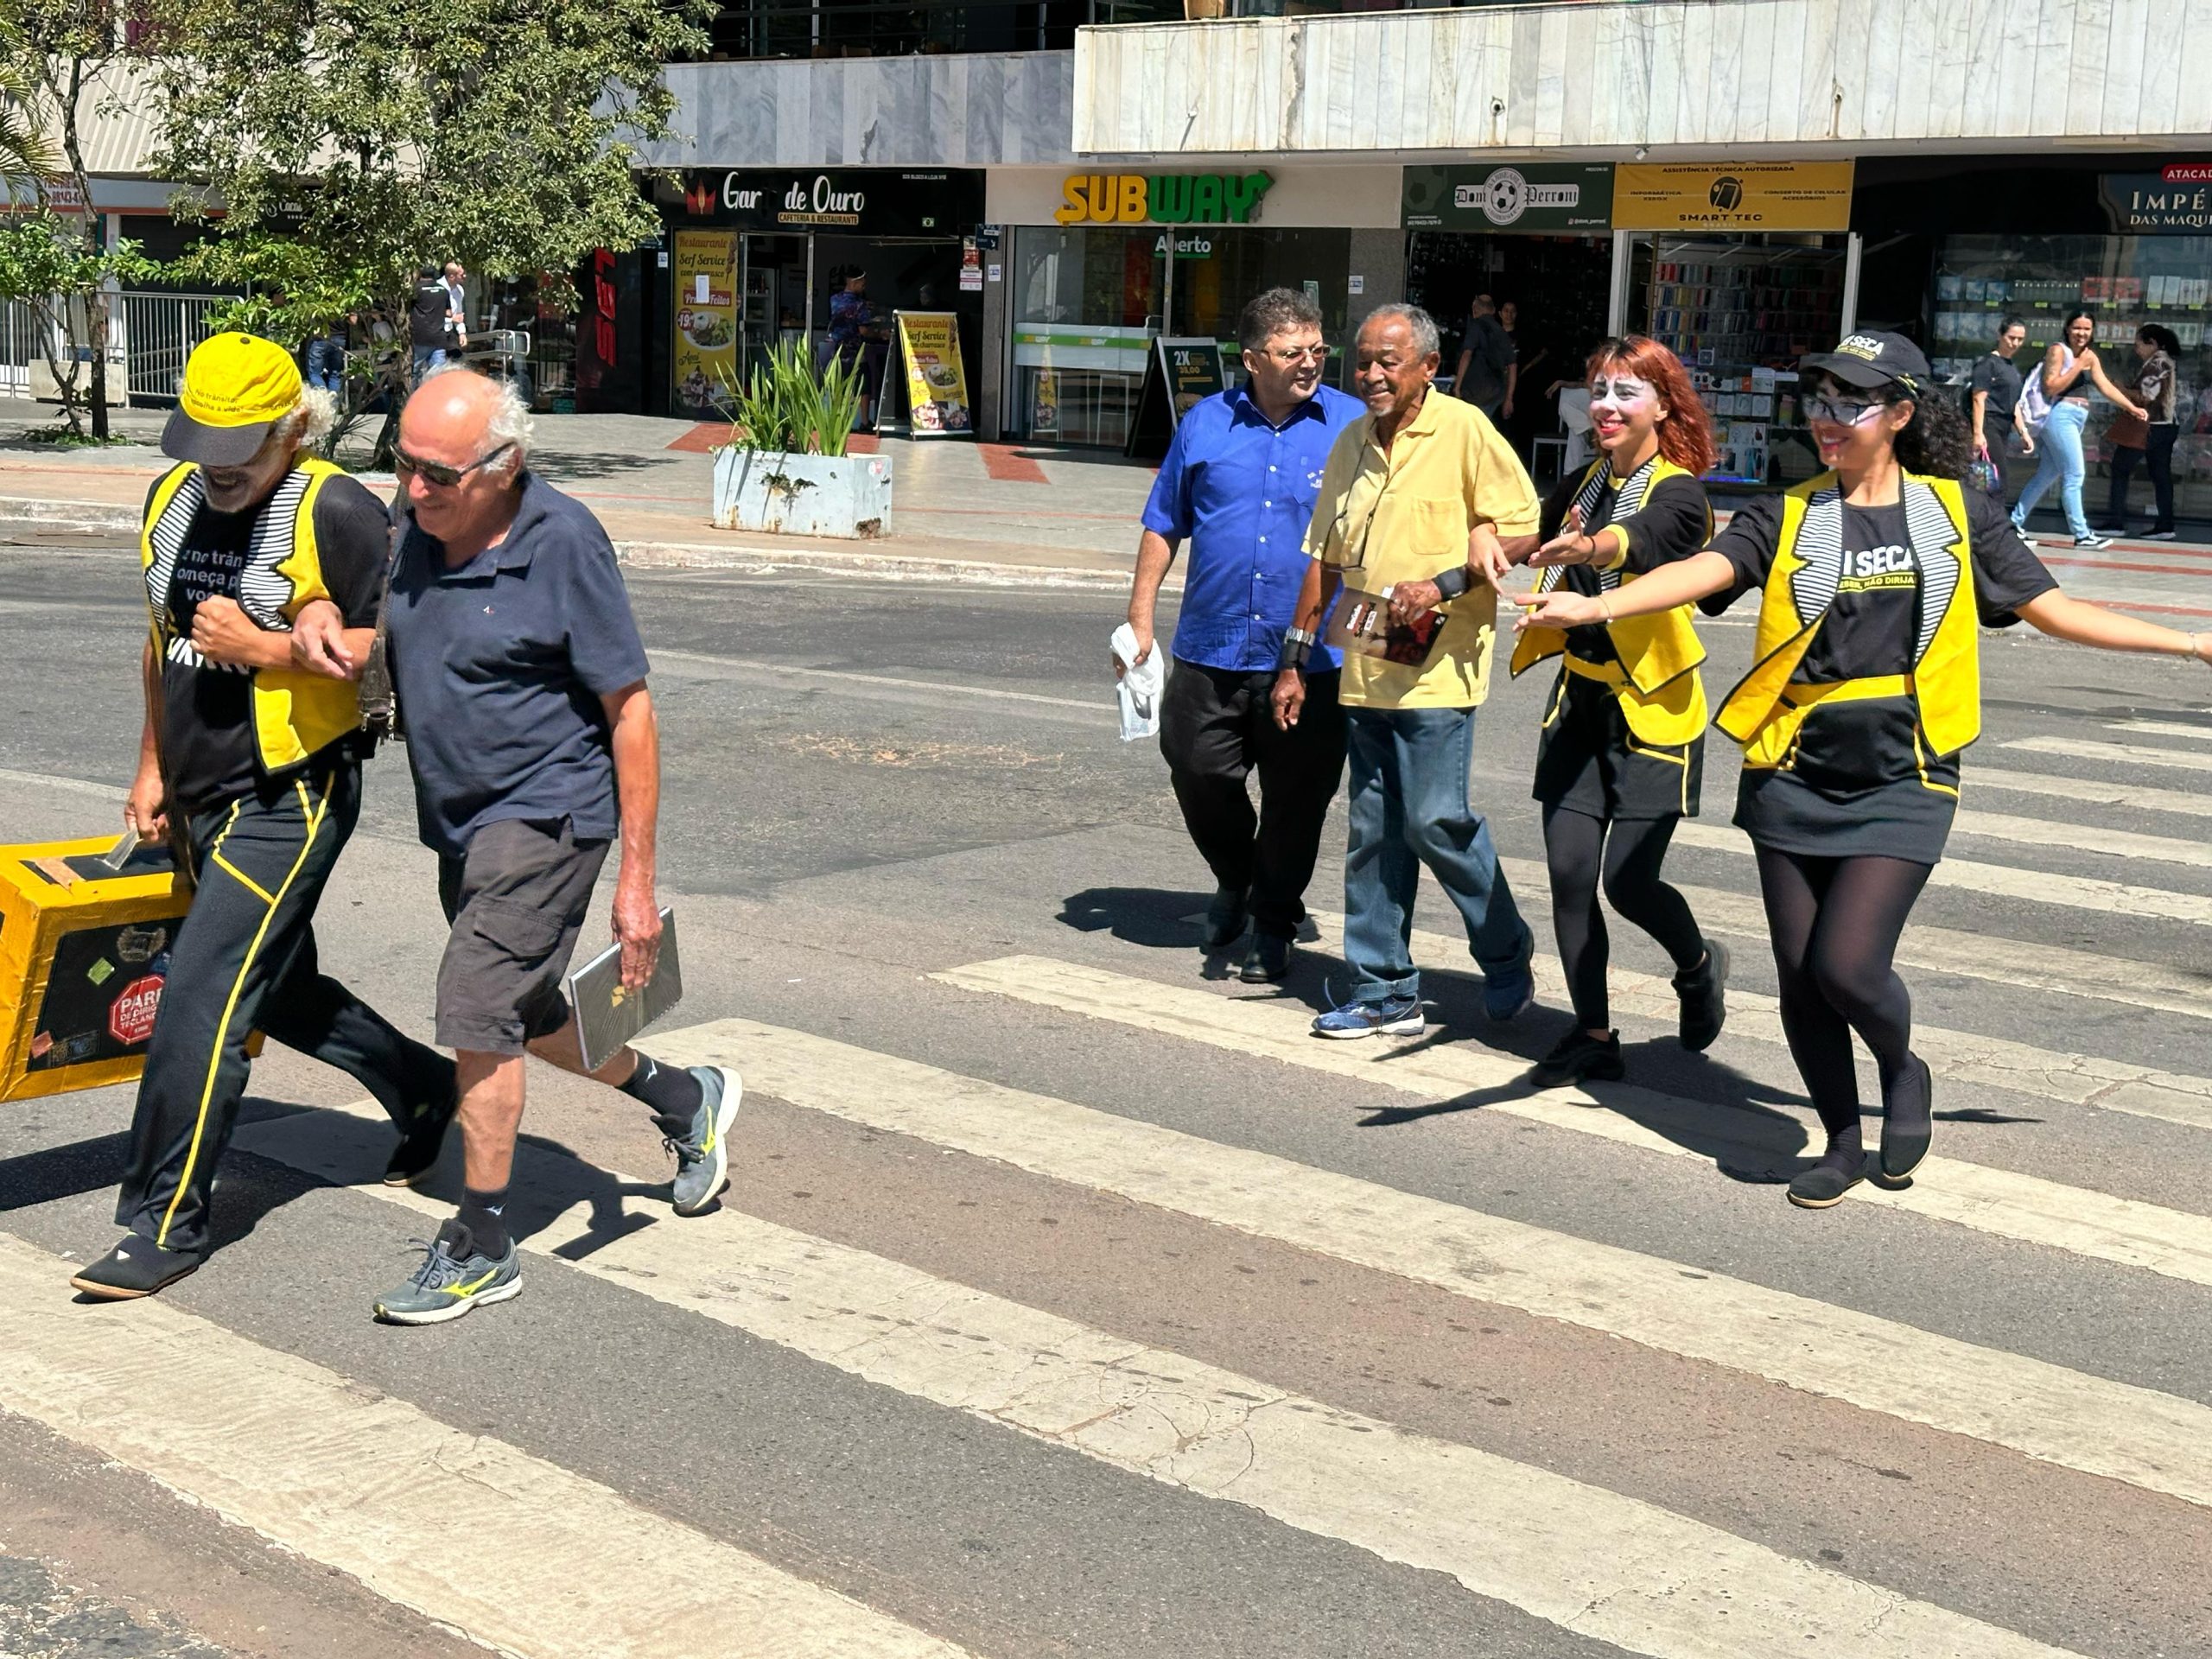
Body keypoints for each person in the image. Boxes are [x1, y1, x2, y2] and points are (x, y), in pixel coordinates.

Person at [1517, 331, 2212, 1209]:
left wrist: (2190, 642)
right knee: (1802, 978)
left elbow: (2052, 608)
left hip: (1907, 771)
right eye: (1819, 402)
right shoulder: (1790, 511)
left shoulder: (1955, 512)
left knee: (1848, 967)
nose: (1827, 419)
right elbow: (1704, 567)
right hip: (1792, 771)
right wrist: (1601, 595)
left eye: (1850, 403)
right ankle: (1842, 1140)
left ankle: (1901, 1064)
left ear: (1899, 414)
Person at [69, 334, 458, 1300]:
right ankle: (421, 1086)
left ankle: (162, 1221)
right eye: (203, 438)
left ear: (295, 425)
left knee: (200, 998)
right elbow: (161, 643)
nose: (220, 460)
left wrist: (267, 649)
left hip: (288, 795)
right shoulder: (173, 500)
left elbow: (413, 656)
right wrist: (151, 765)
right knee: (276, 987)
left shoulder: (336, 509)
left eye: (241, 440)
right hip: (195, 792)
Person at [354, 367, 741, 1324]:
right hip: (461, 821)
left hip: (551, 814)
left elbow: (631, 711)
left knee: (474, 1006)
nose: (413, 489)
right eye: (402, 466)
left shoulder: (564, 542)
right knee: (520, 1015)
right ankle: (685, 1099)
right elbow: (383, 641)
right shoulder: (412, 533)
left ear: (504, 465)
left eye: (438, 475)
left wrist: (636, 884)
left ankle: (482, 1240)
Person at [1273, 303, 1541, 1038]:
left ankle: (1507, 950)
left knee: (1434, 822)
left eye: (1389, 361)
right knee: (1374, 830)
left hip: (1439, 669)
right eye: (1363, 361)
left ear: (1427, 365)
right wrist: (1296, 661)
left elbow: (1523, 530)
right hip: (1367, 662)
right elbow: (1324, 558)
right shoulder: (1351, 441)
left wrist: (1448, 583)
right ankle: (1381, 986)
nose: (1372, 375)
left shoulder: (1465, 431)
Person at [1117, 288, 1363, 982]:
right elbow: (1164, 521)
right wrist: (1140, 617)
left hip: (1312, 656)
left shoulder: (1353, 426)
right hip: (1210, 646)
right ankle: (1237, 877)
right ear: (1251, 358)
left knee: (1297, 797)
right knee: (1196, 768)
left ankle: (1274, 919)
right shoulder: (1205, 423)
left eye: (1318, 350)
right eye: (1292, 353)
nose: (1310, 363)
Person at [1507, 337, 1727, 1085]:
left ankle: (1698, 967)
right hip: (1580, 700)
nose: (1605, 404)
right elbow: (1529, 538)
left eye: (1626, 391)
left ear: (1663, 406)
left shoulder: (1681, 493)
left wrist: (1592, 548)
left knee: (1629, 884)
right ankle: (1594, 1033)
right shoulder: (1583, 481)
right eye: (1598, 389)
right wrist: (1459, 560)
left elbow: (1644, 540)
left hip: (1651, 708)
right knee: (1570, 876)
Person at [2010, 309, 2144, 550]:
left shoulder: (2089, 356)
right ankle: (2081, 534)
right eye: (2077, 328)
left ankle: (2013, 524)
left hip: (2074, 418)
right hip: (2060, 416)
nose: (2081, 333)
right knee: (2075, 474)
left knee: (2048, 474)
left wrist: (2131, 407)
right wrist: (2078, 365)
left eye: (2087, 329)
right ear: (2068, 329)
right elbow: (2050, 387)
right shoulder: (2058, 351)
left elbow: (2104, 386)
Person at [2100, 323, 2181, 540]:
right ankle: (2165, 525)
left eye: (2138, 344)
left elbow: (2145, 396)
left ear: (2152, 343)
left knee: (2120, 467)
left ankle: (2116, 521)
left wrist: (2118, 388)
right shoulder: (2167, 361)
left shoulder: (2157, 363)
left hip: (2149, 425)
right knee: (2161, 474)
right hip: (2166, 425)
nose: (2136, 349)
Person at [1966, 316, 2032, 499]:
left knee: (1987, 479)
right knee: (1996, 478)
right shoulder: (1988, 364)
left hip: (2003, 426)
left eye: (2020, 339)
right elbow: (1979, 399)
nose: (2015, 343)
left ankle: (1983, 519)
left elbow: (2013, 403)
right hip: (1989, 424)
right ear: (2000, 335)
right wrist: (1978, 434)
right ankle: (1993, 521)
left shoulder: (2009, 366)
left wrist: (2023, 432)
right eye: (2011, 338)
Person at [823, 266, 888, 428]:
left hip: (837, 350)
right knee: (864, 386)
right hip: (855, 352)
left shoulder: (834, 299)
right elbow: (864, 331)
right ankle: (865, 422)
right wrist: (881, 333)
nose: (864, 286)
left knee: (839, 386)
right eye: (862, 283)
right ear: (854, 283)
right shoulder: (860, 305)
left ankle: (836, 422)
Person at [1453, 293, 1516, 423]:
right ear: (1493, 311)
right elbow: (1513, 366)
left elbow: (1467, 355)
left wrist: (1457, 386)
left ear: (1475, 309)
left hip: (1475, 390)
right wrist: (1509, 398)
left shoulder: (1475, 327)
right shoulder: (1501, 332)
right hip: (1496, 392)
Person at [408, 266, 452, 381]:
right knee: (438, 376)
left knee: (414, 373)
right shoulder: (443, 290)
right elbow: (449, 312)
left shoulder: (415, 290)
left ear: (419, 274)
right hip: (439, 338)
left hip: (421, 338)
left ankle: (414, 397)